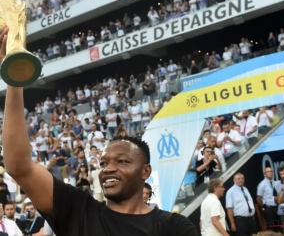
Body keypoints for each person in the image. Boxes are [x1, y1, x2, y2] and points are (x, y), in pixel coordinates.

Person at [0, 26, 197, 236]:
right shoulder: (79, 210)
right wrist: (15, 75)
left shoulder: (173, 227)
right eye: (104, 163)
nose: (108, 169)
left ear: (145, 171)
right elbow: (19, 166)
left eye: (122, 161)